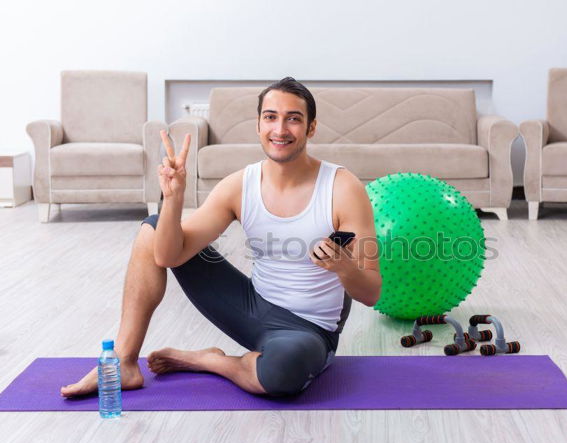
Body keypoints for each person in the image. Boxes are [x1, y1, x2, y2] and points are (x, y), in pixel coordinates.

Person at [60, 77, 381, 398]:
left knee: (283, 373)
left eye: (293, 119)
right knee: (153, 229)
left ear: (311, 128)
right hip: (251, 308)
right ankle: (124, 361)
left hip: (308, 331)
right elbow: (170, 256)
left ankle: (213, 362)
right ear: (258, 125)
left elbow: (371, 293)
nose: (280, 129)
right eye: (270, 117)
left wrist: (344, 268)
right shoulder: (239, 185)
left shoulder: (342, 187)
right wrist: (173, 198)